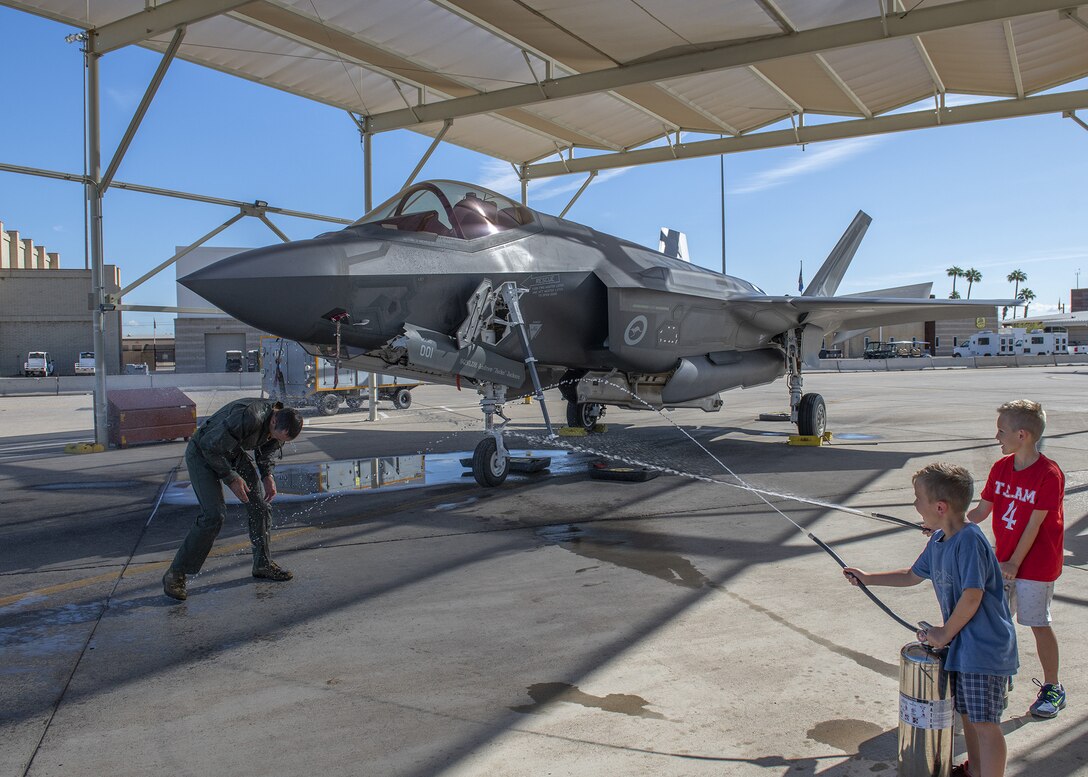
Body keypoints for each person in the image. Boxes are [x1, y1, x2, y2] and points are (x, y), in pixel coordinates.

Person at [844, 463, 1017, 777]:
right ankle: (975, 770)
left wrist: (944, 633)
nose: (914, 505)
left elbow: (972, 595)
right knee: (968, 715)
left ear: (940, 507)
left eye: (917, 499)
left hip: (985, 647)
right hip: (965, 647)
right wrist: (868, 578)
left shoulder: (968, 540)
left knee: (985, 724)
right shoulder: (939, 542)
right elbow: (911, 575)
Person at [967, 399, 1066, 719]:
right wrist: (950, 523)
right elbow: (982, 511)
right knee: (998, 622)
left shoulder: (1049, 475)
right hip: (1004, 562)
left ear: (1022, 435)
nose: (997, 436)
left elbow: (1035, 525)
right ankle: (1003, 672)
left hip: (1035, 566)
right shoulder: (1000, 468)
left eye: (1001, 431)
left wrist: (1014, 564)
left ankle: (1053, 686)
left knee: (1037, 623)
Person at [162, 399, 304, 601]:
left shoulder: (281, 423)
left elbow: (267, 450)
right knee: (214, 515)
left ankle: (262, 564)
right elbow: (209, 446)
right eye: (279, 436)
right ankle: (175, 574)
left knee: (261, 507)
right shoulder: (249, 416)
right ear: (273, 421)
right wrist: (231, 478)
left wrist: (267, 476)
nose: (278, 440)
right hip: (203, 452)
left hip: (230, 452)